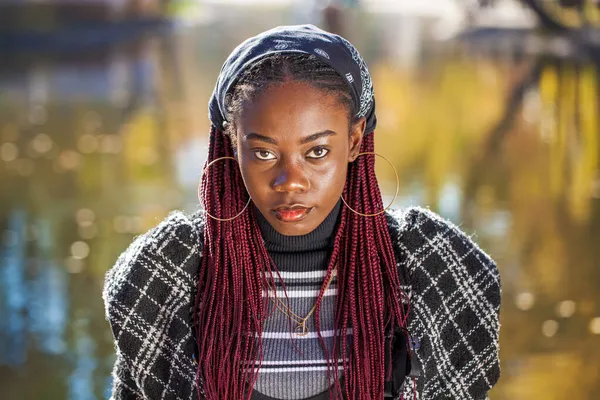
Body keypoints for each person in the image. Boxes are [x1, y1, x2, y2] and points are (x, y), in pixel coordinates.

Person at [102, 25, 501, 400]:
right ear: (231, 142)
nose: (290, 182)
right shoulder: (165, 272)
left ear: (355, 139)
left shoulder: (432, 264)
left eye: (317, 152)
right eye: (263, 153)